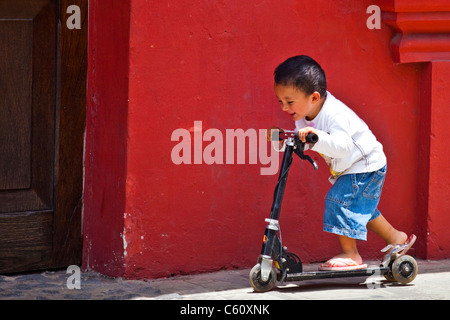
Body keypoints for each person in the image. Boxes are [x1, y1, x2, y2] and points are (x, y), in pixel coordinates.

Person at [273, 55, 415, 270]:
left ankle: (351, 254)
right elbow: (304, 139)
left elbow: (343, 146)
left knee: (339, 201)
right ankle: (397, 238)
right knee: (359, 209)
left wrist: (316, 137)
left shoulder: (334, 114)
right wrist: (286, 139)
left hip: (366, 164)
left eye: (289, 102)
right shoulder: (303, 114)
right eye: (281, 101)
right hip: (353, 167)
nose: (284, 107)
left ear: (314, 97)